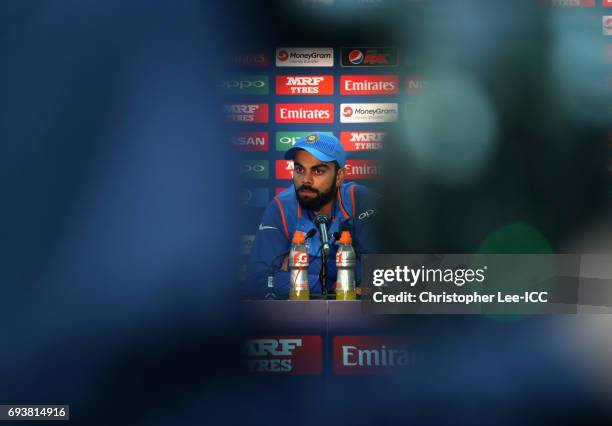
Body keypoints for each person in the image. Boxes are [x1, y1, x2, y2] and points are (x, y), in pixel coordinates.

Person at [246, 132, 378, 299]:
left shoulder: (360, 200)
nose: (305, 180)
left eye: (318, 171)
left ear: (339, 177)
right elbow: (258, 282)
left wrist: (301, 273)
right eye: (299, 169)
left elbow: (388, 274)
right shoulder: (281, 206)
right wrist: (337, 285)